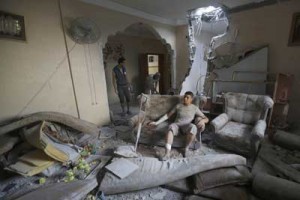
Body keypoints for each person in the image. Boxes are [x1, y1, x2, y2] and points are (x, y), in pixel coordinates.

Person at [149, 91, 209, 160]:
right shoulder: (178, 105)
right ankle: (167, 153)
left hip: (186, 126)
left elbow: (206, 118)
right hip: (177, 125)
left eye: (187, 97)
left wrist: (202, 121)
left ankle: (186, 148)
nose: (185, 98)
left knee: (193, 127)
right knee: (170, 127)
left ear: (191, 99)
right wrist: (156, 123)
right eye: (184, 97)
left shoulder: (194, 108)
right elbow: (168, 116)